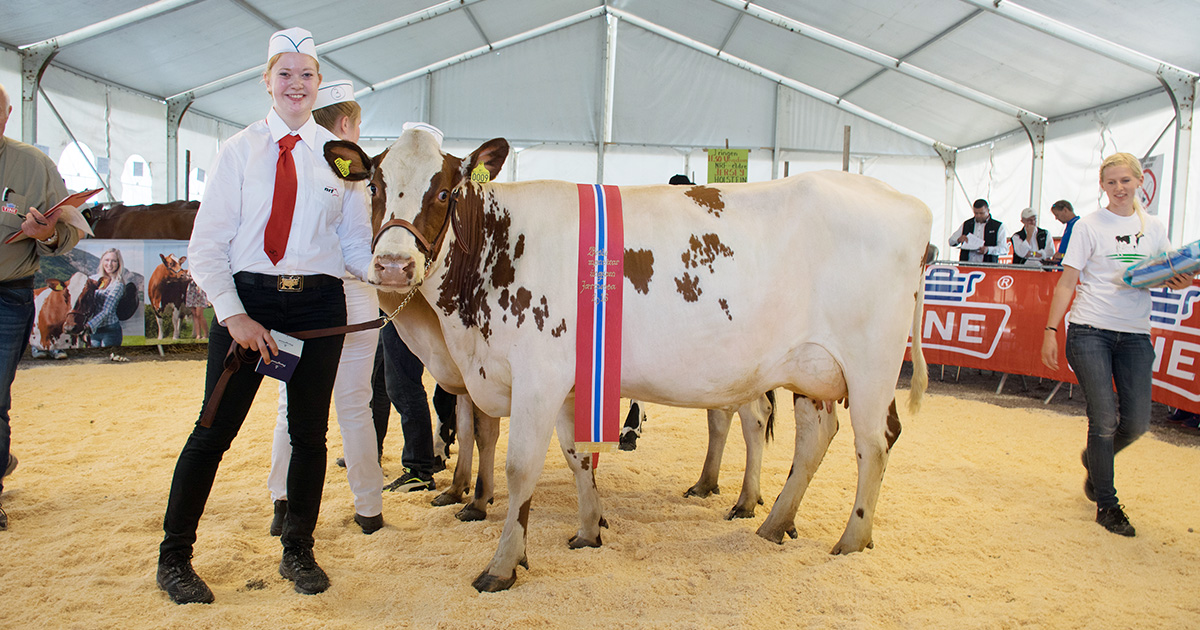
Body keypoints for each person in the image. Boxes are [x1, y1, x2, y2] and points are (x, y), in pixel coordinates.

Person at [156, 28, 374, 604]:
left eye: (306, 75)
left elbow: (355, 245)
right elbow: (207, 246)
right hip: (250, 302)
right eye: (285, 74)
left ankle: (298, 548)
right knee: (213, 431)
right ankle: (174, 556)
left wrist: (386, 269)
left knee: (309, 435)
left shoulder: (342, 159)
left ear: (319, 83)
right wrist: (235, 317)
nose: (296, 85)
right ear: (267, 81)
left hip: (319, 303)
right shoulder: (239, 150)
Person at [1040, 152, 1196, 538]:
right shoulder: (1088, 226)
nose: (1119, 188)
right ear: (1102, 185)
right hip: (1089, 329)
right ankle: (1107, 505)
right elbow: (1067, 282)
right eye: (1111, 182)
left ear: (1140, 181)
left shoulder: (1154, 227)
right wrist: (1050, 330)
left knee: (1137, 423)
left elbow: (1160, 273)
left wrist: (1178, 280)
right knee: (1104, 419)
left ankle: (1095, 459)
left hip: (1136, 333)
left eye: (1125, 180)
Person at [265, 79, 386, 537]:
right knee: (355, 403)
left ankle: (282, 502)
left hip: (293, 297)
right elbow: (362, 244)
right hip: (353, 294)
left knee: (288, 404)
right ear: (346, 123)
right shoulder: (356, 173)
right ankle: (369, 508)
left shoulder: (287, 159)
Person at [0, 81, 82, 531]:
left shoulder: (34, 164)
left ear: (7, 116)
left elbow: (71, 230)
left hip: (7, 293)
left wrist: (47, 234)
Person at [86, 248, 128, 347]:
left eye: (114, 261)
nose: (109, 264)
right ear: (102, 261)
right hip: (93, 331)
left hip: (110, 330)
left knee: (108, 355)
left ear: (119, 264)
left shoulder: (118, 284)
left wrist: (88, 326)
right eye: (107, 260)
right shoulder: (92, 279)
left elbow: (107, 311)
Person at [949, 198, 1008, 263]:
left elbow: (1003, 249)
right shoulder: (967, 224)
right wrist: (958, 239)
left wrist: (988, 250)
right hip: (967, 265)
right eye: (976, 213)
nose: (978, 216)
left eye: (981, 213)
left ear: (988, 210)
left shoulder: (998, 226)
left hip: (987, 265)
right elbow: (951, 241)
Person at [1049, 199, 1078, 264]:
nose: (1056, 218)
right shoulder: (1069, 225)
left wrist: (1061, 255)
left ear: (1065, 210)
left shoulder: (1078, 225)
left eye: (1057, 215)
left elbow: (1079, 251)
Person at [184, 273, 209, 340]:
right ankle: (198, 335)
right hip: (191, 289)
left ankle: (206, 334)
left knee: (199, 314)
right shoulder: (190, 268)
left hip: (199, 289)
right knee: (194, 314)